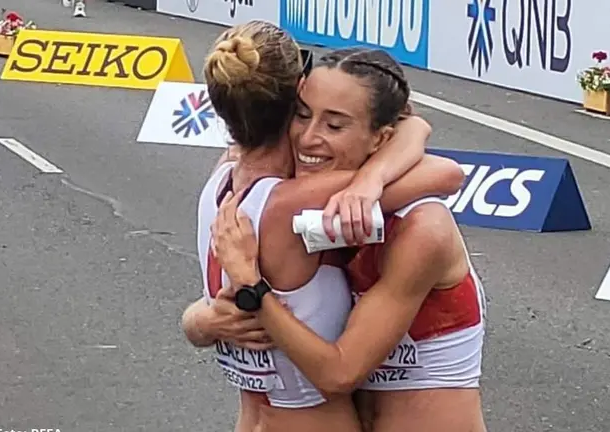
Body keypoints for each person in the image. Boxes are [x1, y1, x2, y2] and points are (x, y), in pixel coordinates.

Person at [180, 22, 465, 432]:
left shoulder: (221, 180)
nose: (314, 135)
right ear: (298, 89)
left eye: (333, 124)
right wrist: (374, 176)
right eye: (305, 115)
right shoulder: (296, 203)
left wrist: (198, 321)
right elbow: (445, 173)